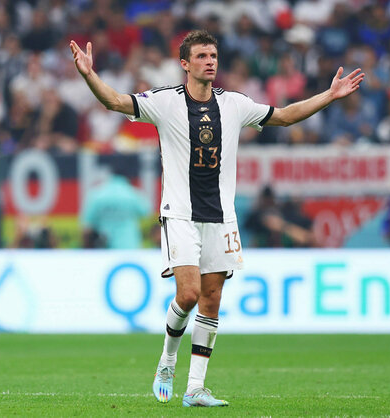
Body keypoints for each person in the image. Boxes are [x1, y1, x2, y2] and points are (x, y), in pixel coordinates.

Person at [70, 29, 364, 407]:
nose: (210, 61)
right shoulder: (164, 103)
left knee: (211, 299)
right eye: (202, 56)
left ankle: (195, 388)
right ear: (184, 64)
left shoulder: (235, 105)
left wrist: (329, 95)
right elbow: (113, 102)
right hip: (180, 213)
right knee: (188, 293)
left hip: (222, 218)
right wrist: (89, 75)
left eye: (214, 56)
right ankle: (167, 360)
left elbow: (286, 117)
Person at [81, 173, 151, 249]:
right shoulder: (132, 193)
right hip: (129, 243)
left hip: (104, 244)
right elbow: (146, 212)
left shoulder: (97, 194)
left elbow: (87, 224)